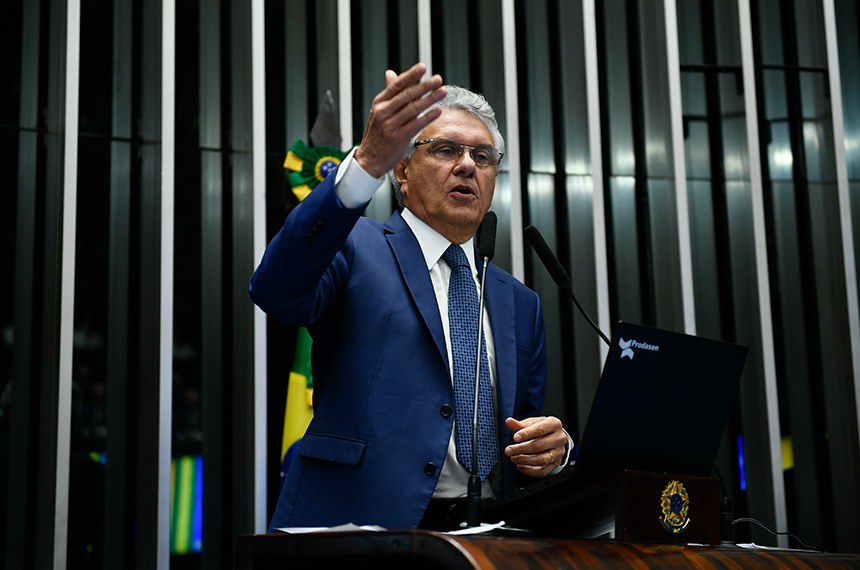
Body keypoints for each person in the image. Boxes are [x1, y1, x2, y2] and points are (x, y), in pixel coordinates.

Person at [250, 63, 570, 531]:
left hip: (486, 537)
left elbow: (523, 434)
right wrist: (363, 168)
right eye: (446, 150)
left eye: (482, 157)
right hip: (359, 530)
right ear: (401, 169)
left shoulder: (521, 302)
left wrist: (552, 454)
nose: (467, 165)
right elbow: (275, 289)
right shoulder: (354, 245)